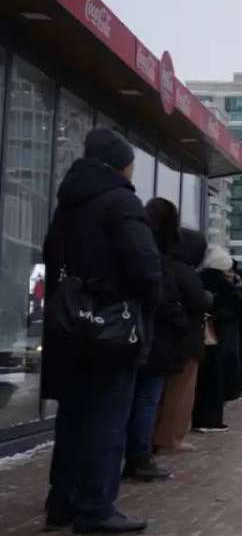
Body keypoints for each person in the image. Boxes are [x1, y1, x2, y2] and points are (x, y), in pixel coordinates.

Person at [41, 128, 161, 533]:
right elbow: (145, 266)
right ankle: (95, 507)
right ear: (120, 165)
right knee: (107, 417)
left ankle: (62, 502)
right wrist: (142, 301)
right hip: (110, 329)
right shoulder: (121, 201)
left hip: (69, 327)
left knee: (73, 416)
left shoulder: (68, 205)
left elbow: (52, 258)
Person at [121, 198, 183, 484]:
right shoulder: (158, 257)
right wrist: (179, 315)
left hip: (129, 336)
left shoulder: (131, 245)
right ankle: (139, 457)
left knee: (129, 399)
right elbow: (163, 299)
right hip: (153, 339)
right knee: (146, 400)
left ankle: (130, 454)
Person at [152, 228, 211, 452]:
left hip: (164, 340)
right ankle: (171, 437)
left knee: (161, 393)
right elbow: (199, 302)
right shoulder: (187, 273)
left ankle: (155, 435)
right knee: (181, 392)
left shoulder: (164, 267)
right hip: (186, 340)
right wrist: (207, 298)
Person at [195, 245, 238, 431]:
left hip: (198, 333)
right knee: (214, 379)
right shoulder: (223, 284)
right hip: (215, 335)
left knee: (200, 379)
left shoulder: (198, 277)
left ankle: (198, 418)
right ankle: (212, 420)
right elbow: (238, 306)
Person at [224, 268, 242, 401]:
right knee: (238, 361)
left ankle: (237, 387)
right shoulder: (236, 292)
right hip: (238, 332)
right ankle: (234, 389)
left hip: (241, 331)